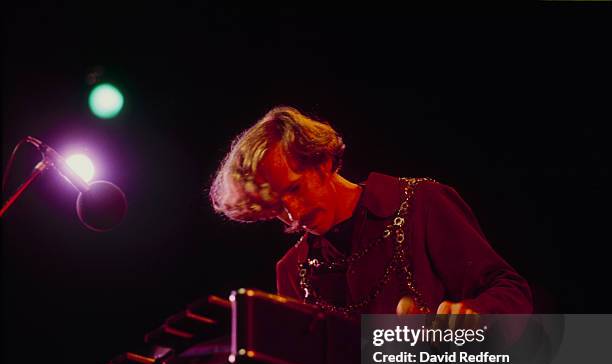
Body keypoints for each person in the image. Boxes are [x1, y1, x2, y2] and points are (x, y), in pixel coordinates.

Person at [210, 106, 532, 316]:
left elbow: (514, 296)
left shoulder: (422, 203)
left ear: (322, 162)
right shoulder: (293, 271)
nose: (292, 214)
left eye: (294, 189)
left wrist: (475, 315)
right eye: (277, 207)